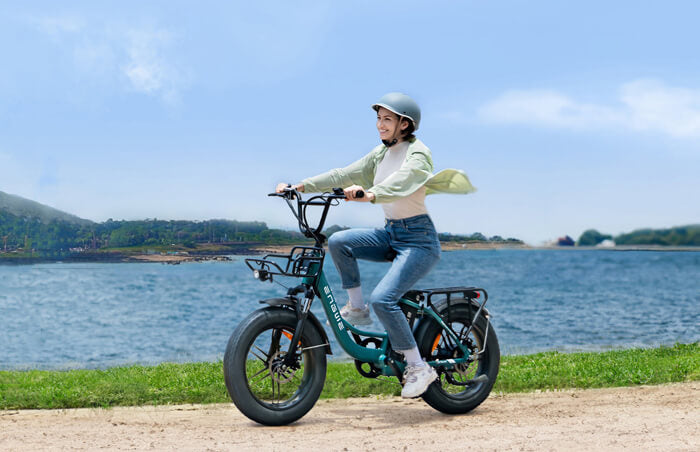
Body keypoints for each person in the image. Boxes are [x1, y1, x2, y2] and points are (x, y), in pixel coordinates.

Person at [276, 92, 475, 398]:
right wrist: (300, 186)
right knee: (340, 241)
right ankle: (357, 309)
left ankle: (419, 368)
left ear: (404, 125)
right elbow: (344, 173)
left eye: (387, 120)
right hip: (391, 233)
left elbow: (404, 182)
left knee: (384, 299)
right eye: (379, 119)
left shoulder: (418, 155)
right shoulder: (380, 154)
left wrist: (370, 194)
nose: (380, 125)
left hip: (419, 241)